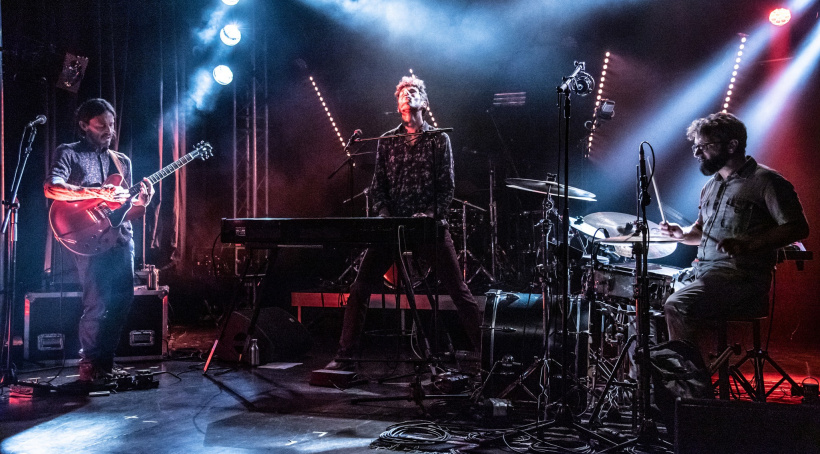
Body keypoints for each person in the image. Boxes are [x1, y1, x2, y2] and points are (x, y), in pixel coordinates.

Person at [325, 76, 482, 370]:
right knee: (360, 288)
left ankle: (489, 354)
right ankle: (345, 357)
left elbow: (447, 187)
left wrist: (431, 214)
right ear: (398, 106)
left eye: (413, 92)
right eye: (402, 94)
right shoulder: (387, 140)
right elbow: (378, 187)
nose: (407, 96)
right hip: (392, 228)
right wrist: (383, 214)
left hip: (427, 227)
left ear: (424, 102)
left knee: (459, 291)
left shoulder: (439, 139)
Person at [660, 112, 809, 363]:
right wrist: (681, 234)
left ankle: (692, 389)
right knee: (645, 303)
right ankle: (659, 384)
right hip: (706, 274)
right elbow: (700, 232)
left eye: (705, 146)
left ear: (732, 145)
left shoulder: (766, 182)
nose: (698, 153)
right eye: (696, 147)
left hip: (742, 280)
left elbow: (798, 228)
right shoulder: (711, 186)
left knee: (677, 304)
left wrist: (748, 244)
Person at [44, 98, 155, 382]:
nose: (109, 130)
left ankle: (105, 363)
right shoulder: (69, 153)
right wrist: (95, 194)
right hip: (85, 237)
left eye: (112, 124)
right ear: (84, 126)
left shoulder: (122, 161)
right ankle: (89, 365)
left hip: (120, 239)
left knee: (122, 300)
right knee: (97, 302)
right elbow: (52, 188)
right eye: (101, 125)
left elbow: (127, 212)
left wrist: (143, 201)